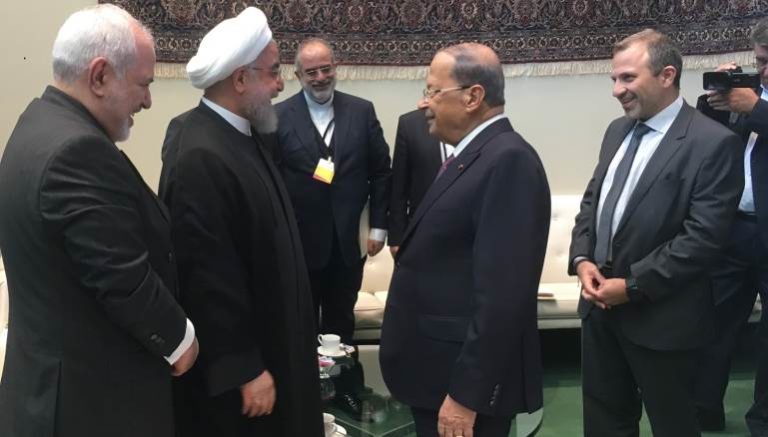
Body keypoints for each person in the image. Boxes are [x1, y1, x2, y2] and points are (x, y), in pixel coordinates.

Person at [0, 4, 198, 436]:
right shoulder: (77, 152)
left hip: (47, 391)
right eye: (144, 84)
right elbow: (121, 278)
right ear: (100, 76)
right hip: (90, 404)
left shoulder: (35, 124)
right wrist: (181, 340)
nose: (148, 100)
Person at [569, 29, 743, 437]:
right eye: (615, 78)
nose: (617, 89)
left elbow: (702, 239)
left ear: (667, 75)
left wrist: (631, 286)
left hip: (664, 320)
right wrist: (582, 259)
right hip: (599, 311)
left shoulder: (713, 143)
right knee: (605, 421)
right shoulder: (616, 130)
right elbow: (592, 202)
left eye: (628, 78)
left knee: (675, 425)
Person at [158, 7, 323, 437]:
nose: (281, 84)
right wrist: (244, 368)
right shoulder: (200, 153)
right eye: (273, 72)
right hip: (246, 374)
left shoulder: (244, 135)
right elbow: (206, 275)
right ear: (240, 80)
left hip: (276, 342)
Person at [380, 42, 551, 437]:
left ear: (473, 97)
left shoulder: (508, 161)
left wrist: (467, 395)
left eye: (433, 91)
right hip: (437, 371)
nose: (424, 103)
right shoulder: (472, 156)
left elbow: (503, 297)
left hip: (461, 387)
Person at [274, 37, 391, 415]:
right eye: (312, 72)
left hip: (348, 242)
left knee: (342, 321)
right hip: (300, 243)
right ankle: (306, 394)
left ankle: (346, 390)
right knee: (301, 323)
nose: (321, 77)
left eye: (326, 69)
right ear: (298, 75)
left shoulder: (361, 111)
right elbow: (270, 180)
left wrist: (379, 227)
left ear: (336, 67)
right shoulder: (278, 116)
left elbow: (381, 172)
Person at [693, 18, 768, 435]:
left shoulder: (754, 104)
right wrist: (715, 102)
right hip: (733, 230)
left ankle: (763, 421)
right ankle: (704, 410)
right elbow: (707, 138)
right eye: (759, 61)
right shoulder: (748, 95)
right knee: (714, 325)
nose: (763, 70)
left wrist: (754, 109)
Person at [388, 108, 446, 256]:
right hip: (420, 231)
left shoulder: (479, 121)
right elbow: (399, 185)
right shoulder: (411, 123)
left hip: (470, 234)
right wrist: (396, 237)